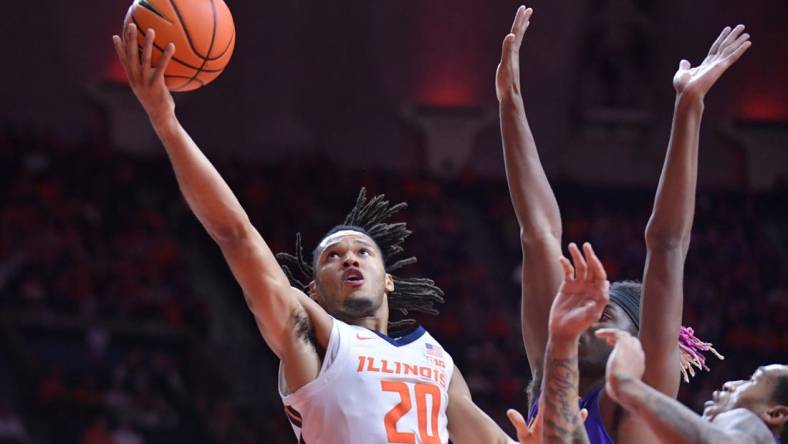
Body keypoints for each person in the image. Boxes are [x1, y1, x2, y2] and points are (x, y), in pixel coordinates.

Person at [112, 24, 520, 444]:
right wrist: (166, 122)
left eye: (364, 251)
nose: (349, 258)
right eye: (332, 256)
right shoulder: (312, 337)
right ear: (314, 290)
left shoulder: (436, 360)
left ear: (389, 279)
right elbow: (235, 233)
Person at [495, 5, 751, 442]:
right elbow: (538, 234)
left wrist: (689, 107)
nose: (588, 320)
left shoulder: (641, 397)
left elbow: (668, 245)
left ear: (640, 342)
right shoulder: (552, 366)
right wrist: (510, 101)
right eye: (588, 311)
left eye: (603, 316)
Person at [597, 328, 787, 444]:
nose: (730, 384)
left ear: (775, 413)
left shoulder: (751, 424)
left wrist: (626, 383)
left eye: (753, 380)